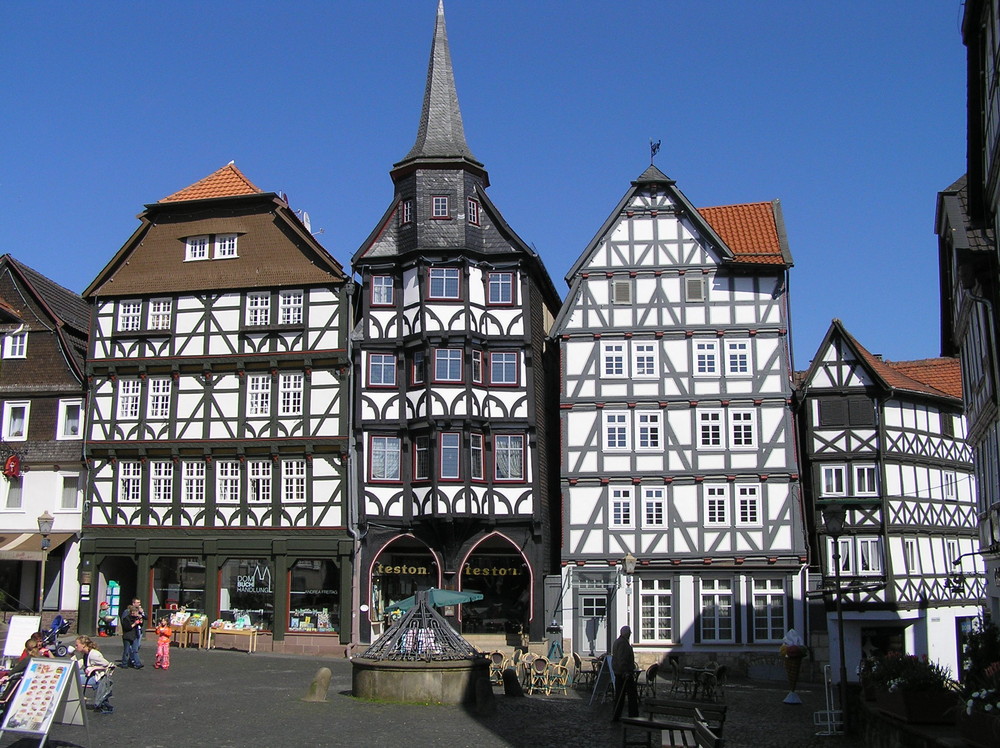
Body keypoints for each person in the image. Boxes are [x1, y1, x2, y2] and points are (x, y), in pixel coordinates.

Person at [73, 636, 113, 714]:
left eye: (77, 645)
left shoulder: (93, 654)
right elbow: (78, 665)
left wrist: (93, 668)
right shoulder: (86, 653)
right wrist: (71, 655)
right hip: (90, 675)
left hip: (97, 678)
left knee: (73, 678)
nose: (75, 647)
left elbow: (107, 664)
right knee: (73, 674)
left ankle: (77, 699)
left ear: (84, 645)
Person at [611, 625, 638, 722]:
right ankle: (633, 716)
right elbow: (622, 659)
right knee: (630, 695)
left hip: (620, 672)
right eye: (629, 632)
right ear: (626, 634)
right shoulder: (622, 643)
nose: (630, 634)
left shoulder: (618, 642)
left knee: (620, 695)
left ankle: (617, 715)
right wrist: (625, 671)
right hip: (624, 673)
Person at [120, 603, 144, 668]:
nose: (135, 615)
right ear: (131, 613)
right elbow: (127, 628)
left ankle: (137, 663)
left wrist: (141, 622)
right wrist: (135, 623)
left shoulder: (136, 618)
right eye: (134, 613)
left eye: (136, 613)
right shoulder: (126, 619)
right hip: (127, 636)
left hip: (134, 636)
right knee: (126, 651)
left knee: (135, 650)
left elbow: (140, 625)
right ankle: (124, 663)